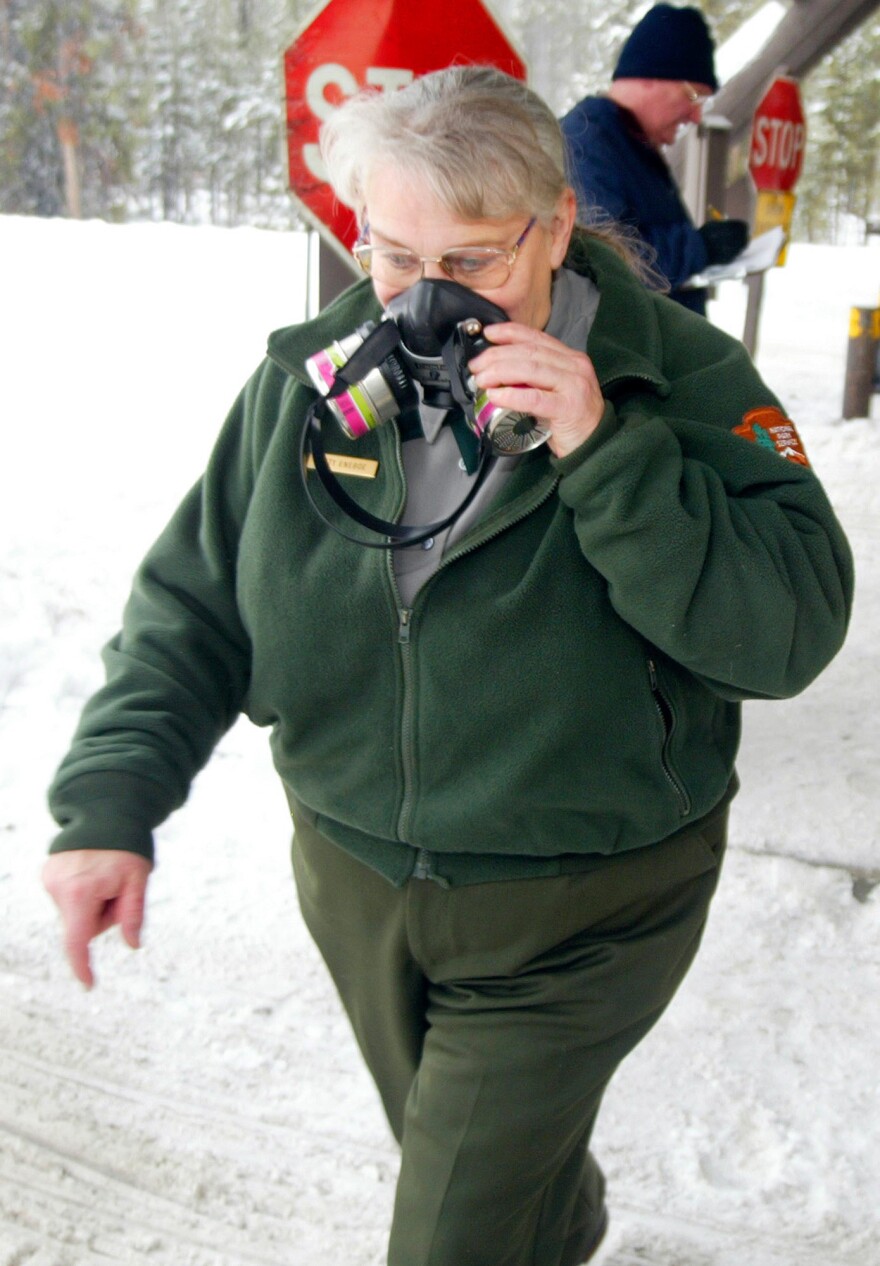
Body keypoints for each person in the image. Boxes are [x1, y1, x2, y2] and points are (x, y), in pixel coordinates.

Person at [43, 65, 852, 1266]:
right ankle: (553, 1219)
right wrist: (110, 805)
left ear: (556, 227)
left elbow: (783, 633)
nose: (427, 303)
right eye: (393, 258)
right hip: (359, 879)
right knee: (474, 1167)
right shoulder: (306, 388)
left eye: (472, 263)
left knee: (449, 1234)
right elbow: (194, 607)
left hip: (581, 900)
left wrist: (605, 451)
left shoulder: (677, 380)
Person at [561, 3, 750, 315]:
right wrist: (700, 247)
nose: (696, 115)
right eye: (693, 97)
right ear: (649, 76)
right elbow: (608, 259)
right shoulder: (586, 144)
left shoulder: (630, 141)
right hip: (630, 355)